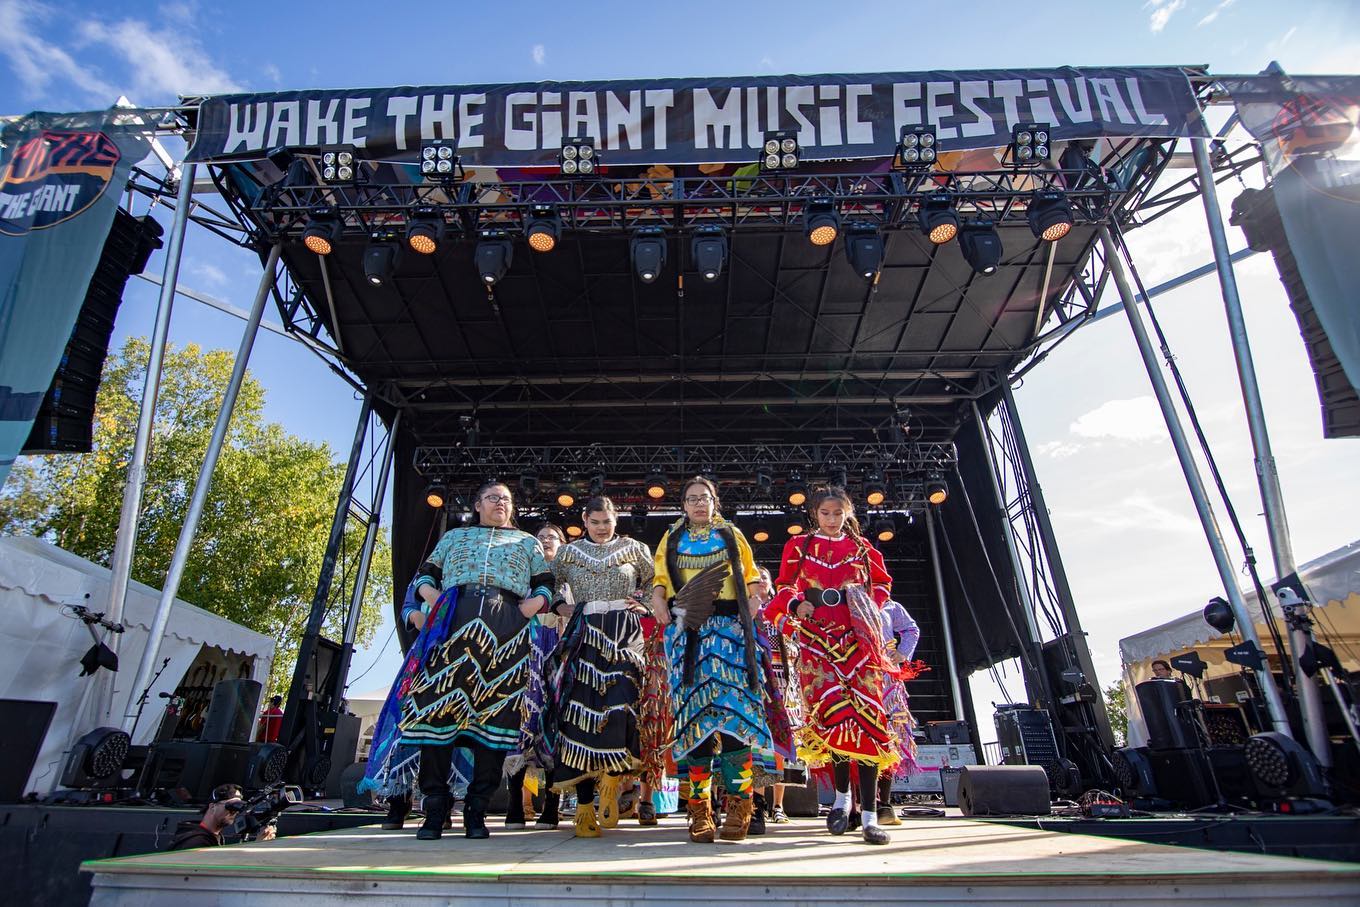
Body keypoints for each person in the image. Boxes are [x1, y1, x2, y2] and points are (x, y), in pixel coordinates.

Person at [397, 481, 554, 840]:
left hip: (506, 627)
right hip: (454, 620)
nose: (500, 503)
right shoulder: (454, 537)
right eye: (493, 498)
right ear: (478, 504)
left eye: (506, 499)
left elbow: (546, 583)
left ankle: (476, 811)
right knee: (438, 715)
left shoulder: (527, 542)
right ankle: (434, 810)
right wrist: (433, 597)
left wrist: (530, 606)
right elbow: (425, 573)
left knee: (495, 719)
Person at [763, 485, 899, 845]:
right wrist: (795, 606)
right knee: (835, 720)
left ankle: (870, 816)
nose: (832, 519)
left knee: (868, 723)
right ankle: (841, 802)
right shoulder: (800, 547)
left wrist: (865, 604)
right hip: (818, 643)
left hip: (859, 644)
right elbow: (784, 587)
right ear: (814, 514)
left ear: (848, 513)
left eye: (838, 513)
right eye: (825, 513)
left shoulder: (863, 549)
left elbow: (882, 586)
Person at [652, 477, 772, 843]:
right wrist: (658, 600)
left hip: (730, 637)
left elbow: (751, 577)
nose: (699, 504)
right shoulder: (671, 537)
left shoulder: (731, 534)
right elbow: (660, 577)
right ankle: (699, 811)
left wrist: (752, 602)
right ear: (683, 505)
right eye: (692, 499)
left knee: (735, 723)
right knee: (695, 724)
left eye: (704, 498)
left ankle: (739, 808)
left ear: (715, 502)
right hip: (688, 636)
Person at [542, 496, 655, 837]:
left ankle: (612, 783)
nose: (602, 527)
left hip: (624, 631)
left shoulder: (635, 548)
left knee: (621, 707)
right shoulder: (567, 553)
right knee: (578, 715)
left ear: (615, 520)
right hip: (583, 631)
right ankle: (584, 804)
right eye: (595, 522)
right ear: (585, 520)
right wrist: (561, 605)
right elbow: (545, 582)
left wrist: (644, 604)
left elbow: (655, 583)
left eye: (607, 521)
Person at [503, 523, 571, 829]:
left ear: (561, 544)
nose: (545, 540)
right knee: (519, 723)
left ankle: (552, 807)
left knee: (554, 725)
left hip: (556, 654)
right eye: (541, 537)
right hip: (523, 652)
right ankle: (515, 804)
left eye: (552, 537)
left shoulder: (567, 575)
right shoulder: (523, 573)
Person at [875, 597, 923, 827]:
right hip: (857, 676)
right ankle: (857, 804)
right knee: (859, 736)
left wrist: (902, 654)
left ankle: (883, 803)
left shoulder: (889, 605)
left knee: (890, 738)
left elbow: (911, 629)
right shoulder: (847, 598)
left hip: (888, 682)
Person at [167, 784, 275, 850]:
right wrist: (255, 848)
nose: (234, 812)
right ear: (212, 807)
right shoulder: (197, 841)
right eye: (230, 806)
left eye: (237, 808)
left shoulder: (211, 837)